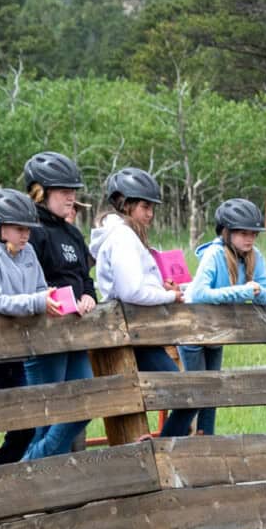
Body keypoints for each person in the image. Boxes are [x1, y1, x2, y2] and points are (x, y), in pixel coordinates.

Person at [0, 187, 95, 461]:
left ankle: (34, 463)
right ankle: (34, 472)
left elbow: (41, 288)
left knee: (84, 398)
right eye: (18, 229)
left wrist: (58, 298)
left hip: (31, 341)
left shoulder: (27, 254)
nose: (26, 234)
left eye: (27, 229)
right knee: (35, 418)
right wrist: (39, 301)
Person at [92, 166, 196, 438]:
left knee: (181, 396)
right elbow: (131, 291)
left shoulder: (125, 235)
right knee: (187, 396)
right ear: (124, 204)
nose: (149, 214)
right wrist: (169, 295)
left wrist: (159, 286)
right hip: (132, 332)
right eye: (144, 206)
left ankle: (159, 445)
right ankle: (161, 447)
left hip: (137, 333)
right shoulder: (123, 237)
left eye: (151, 207)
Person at [19, 152, 99, 459]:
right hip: (45, 336)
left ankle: (30, 469)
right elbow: (29, 281)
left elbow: (84, 277)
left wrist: (89, 296)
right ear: (42, 191)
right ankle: (34, 483)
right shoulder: (33, 231)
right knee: (47, 416)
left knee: (86, 400)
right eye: (64, 190)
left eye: (74, 190)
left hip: (75, 333)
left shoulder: (72, 233)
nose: (72, 196)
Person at [183, 197, 266, 435]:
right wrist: (244, 291)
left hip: (219, 332)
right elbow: (198, 293)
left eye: (253, 234)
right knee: (196, 395)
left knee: (212, 394)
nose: (249, 239)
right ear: (226, 232)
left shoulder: (256, 256)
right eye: (243, 233)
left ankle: (207, 444)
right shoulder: (214, 254)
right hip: (193, 331)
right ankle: (168, 441)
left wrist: (256, 292)